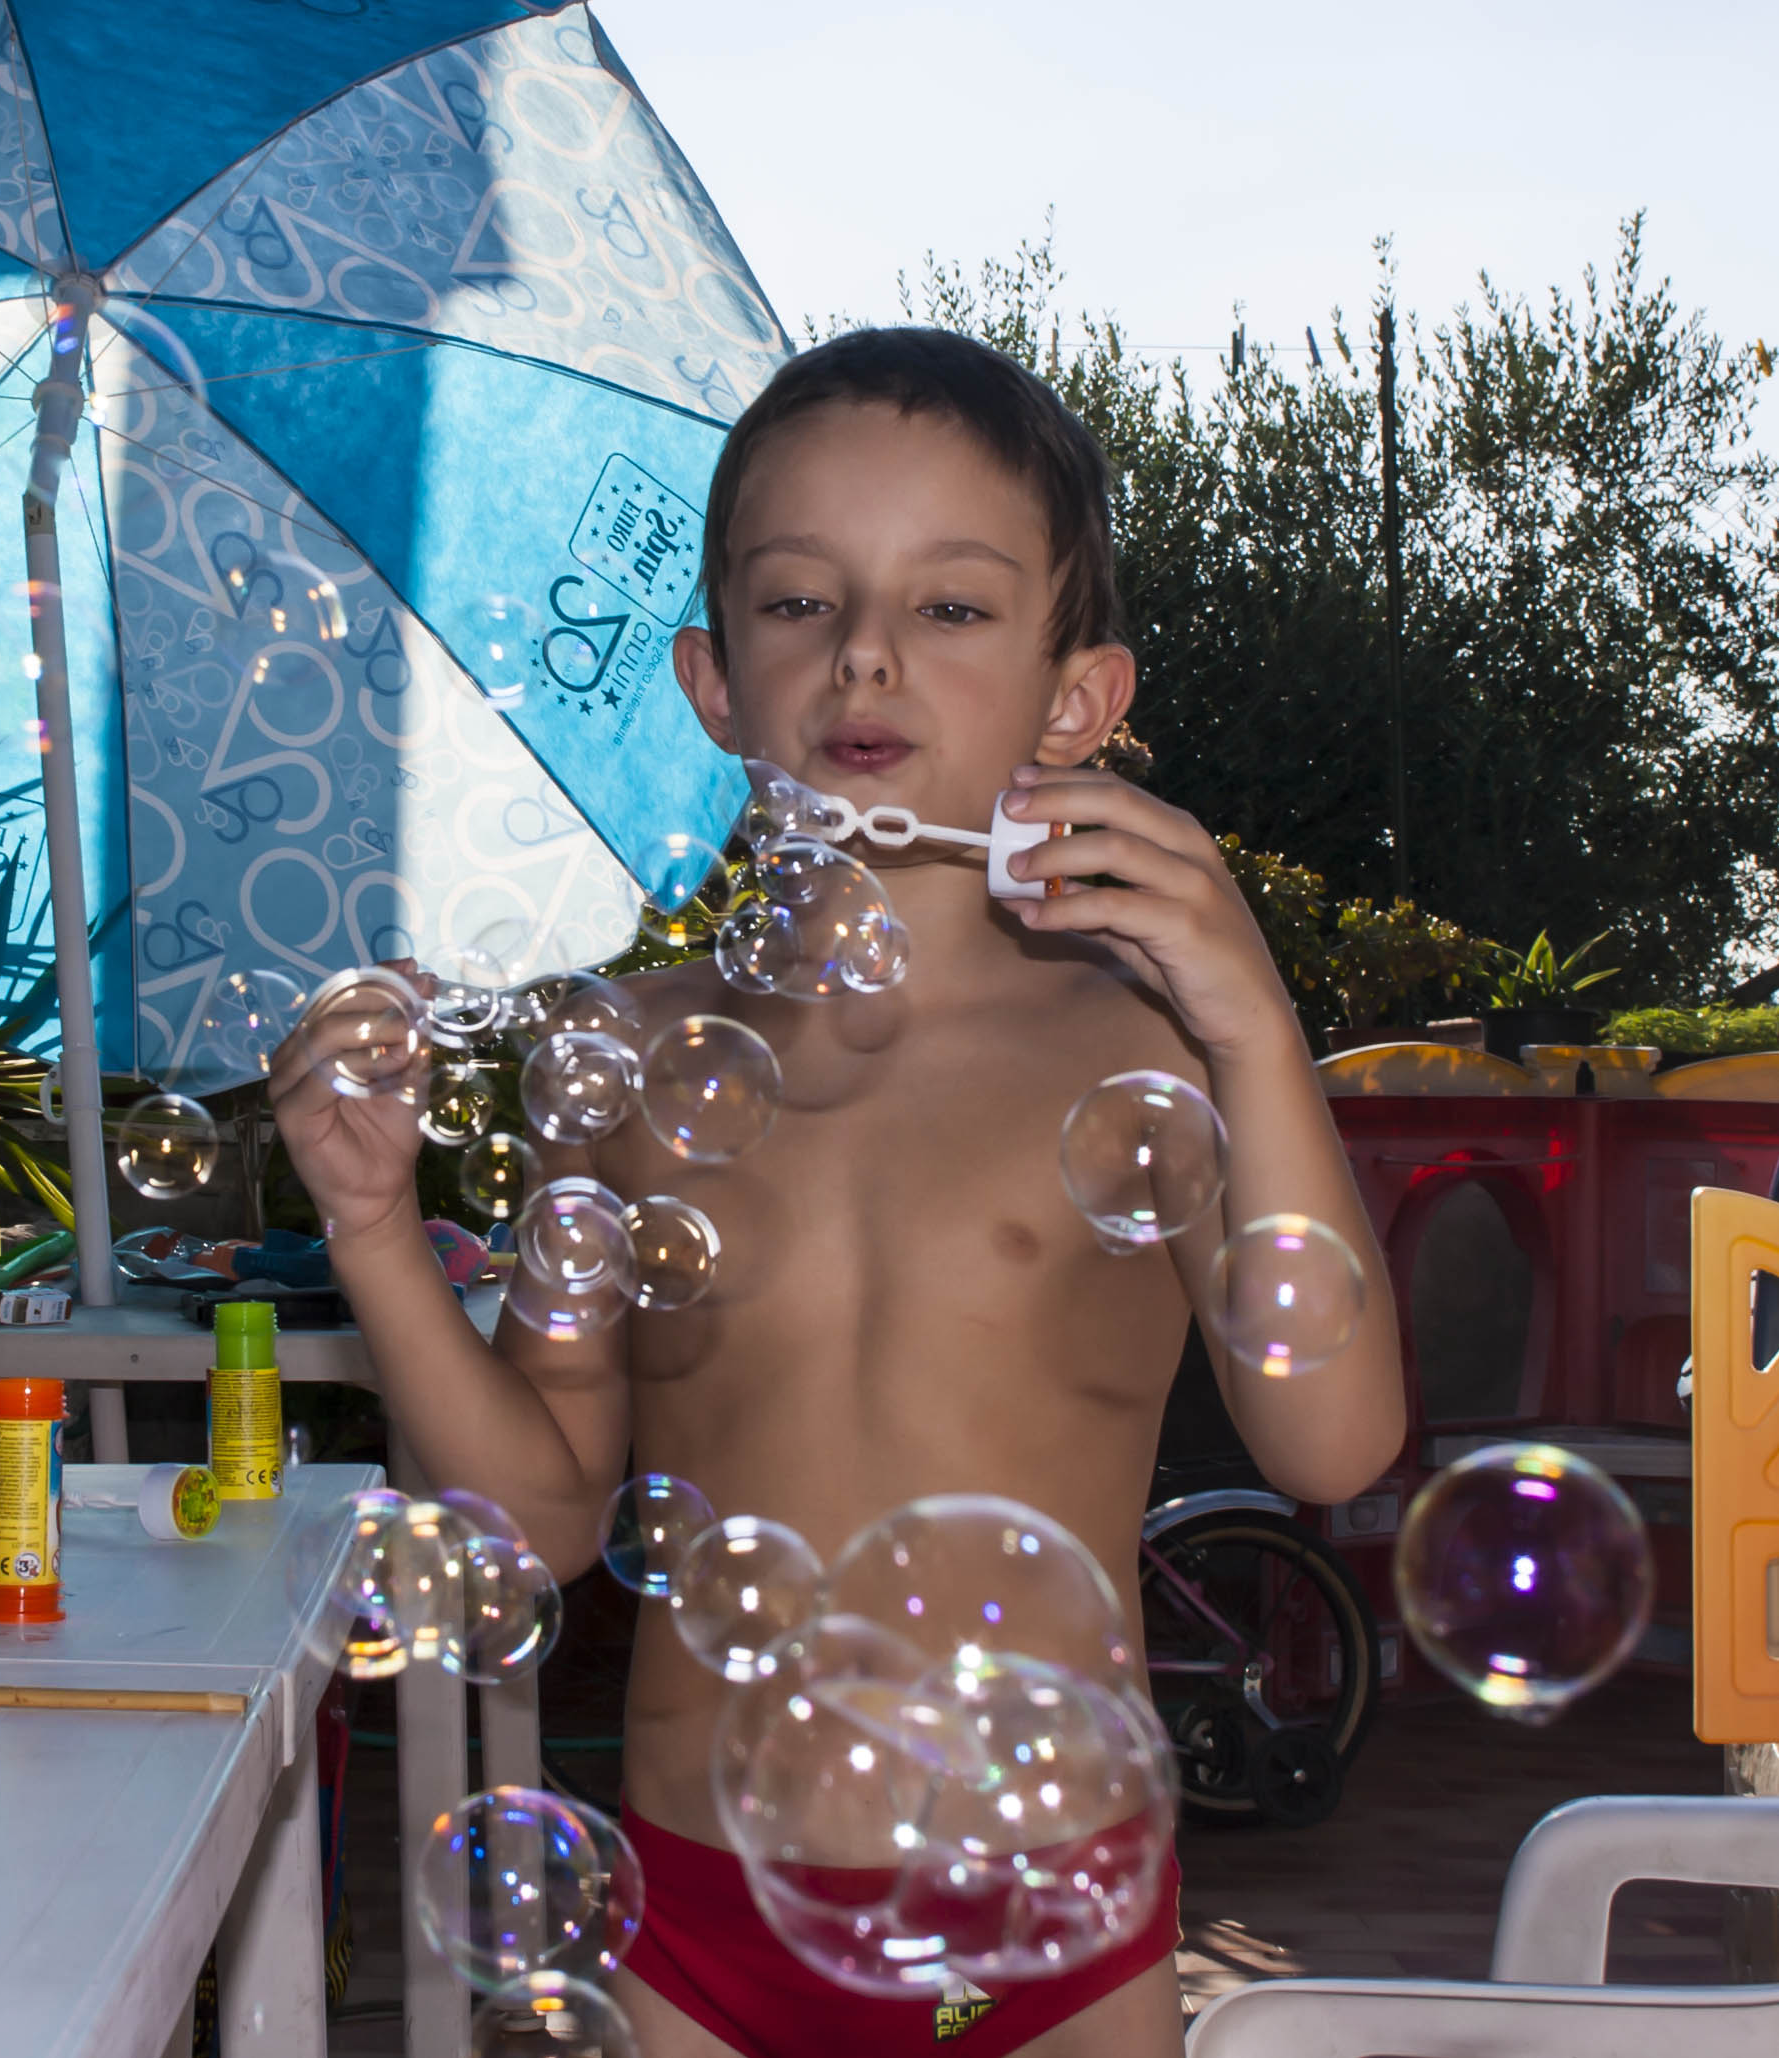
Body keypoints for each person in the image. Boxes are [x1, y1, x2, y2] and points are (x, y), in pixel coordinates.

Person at [268, 327, 1407, 2056]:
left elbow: (1332, 1444)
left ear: (1075, 697)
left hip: (1057, 1927)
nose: (866, 652)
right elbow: (549, 1515)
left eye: (949, 608)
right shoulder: (630, 1062)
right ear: (714, 679)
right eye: (800, 603)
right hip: (699, 1920)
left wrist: (1249, 1011)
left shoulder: (1156, 1060)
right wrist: (371, 1228)